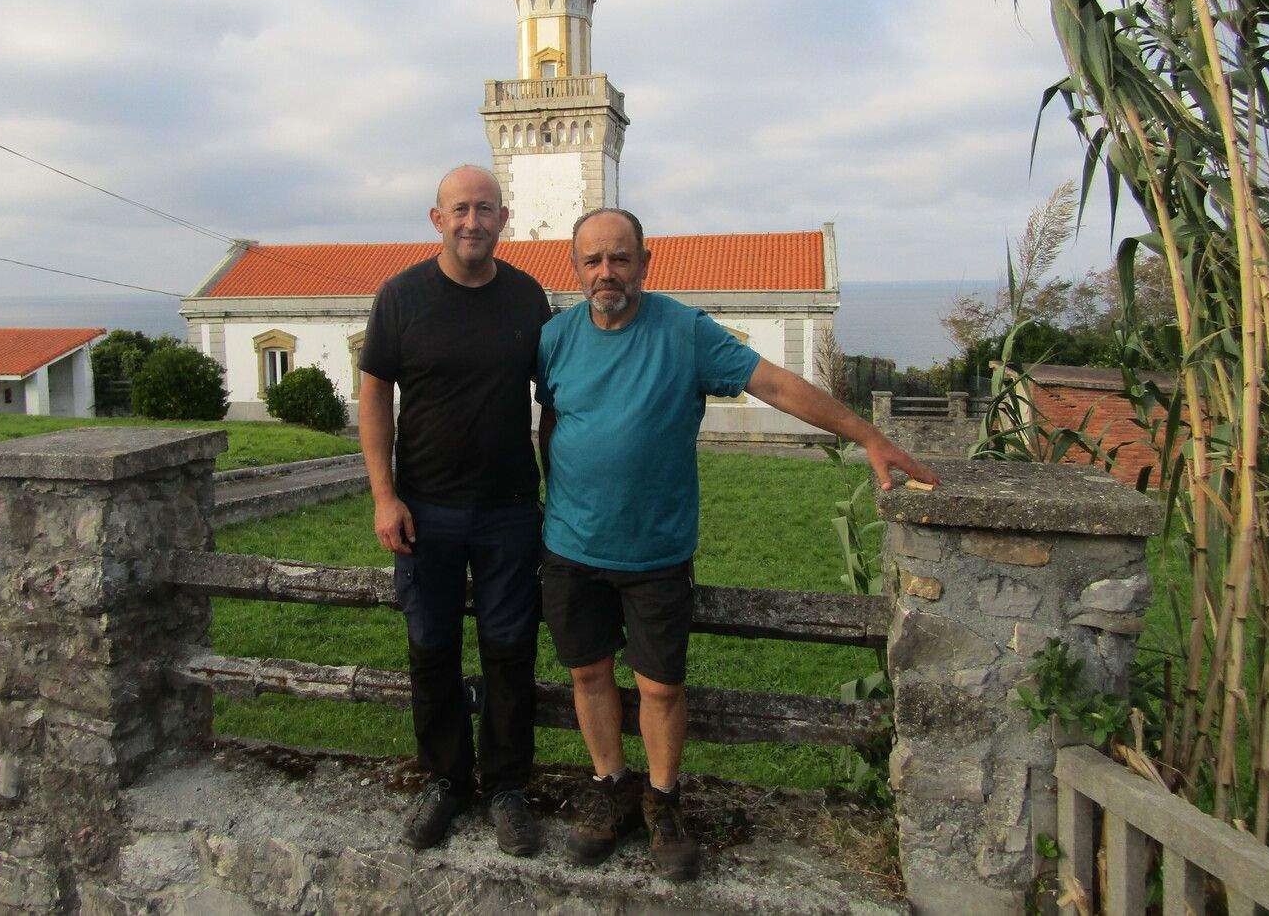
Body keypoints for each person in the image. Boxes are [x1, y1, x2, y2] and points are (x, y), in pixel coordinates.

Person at [535, 207, 940, 882]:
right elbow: (550, 421)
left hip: (656, 553)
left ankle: (662, 800)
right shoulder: (554, 339)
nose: (607, 271)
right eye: (593, 259)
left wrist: (866, 434)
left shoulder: (684, 331)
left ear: (644, 261)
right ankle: (611, 790)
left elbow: (775, 384)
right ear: (575, 267)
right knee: (588, 675)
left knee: (660, 686)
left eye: (620, 257)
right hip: (571, 546)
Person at [358, 165, 554, 857]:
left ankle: (504, 786)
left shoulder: (529, 298)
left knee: (509, 650)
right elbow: (375, 394)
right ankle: (444, 778)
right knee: (431, 647)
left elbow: (556, 400)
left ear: (504, 219)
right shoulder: (402, 297)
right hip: (425, 511)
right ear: (437, 219)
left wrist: (557, 486)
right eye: (460, 209)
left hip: (508, 512)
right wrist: (385, 494)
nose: (474, 221)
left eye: (486, 209)